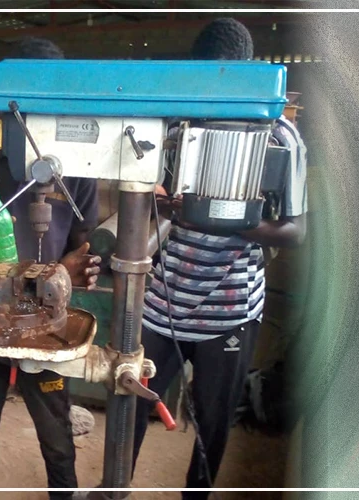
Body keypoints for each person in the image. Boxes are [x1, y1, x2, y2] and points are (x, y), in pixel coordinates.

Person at [131, 18, 308, 497]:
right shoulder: (172, 126)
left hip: (230, 309)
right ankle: (116, 486)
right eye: (211, 80)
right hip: (163, 300)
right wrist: (159, 202)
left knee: (212, 423)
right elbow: (142, 196)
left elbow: (294, 230)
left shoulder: (278, 135)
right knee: (130, 402)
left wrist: (204, 217)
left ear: (250, 73)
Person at [0, 37, 101, 500]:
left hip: (46, 326)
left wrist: (80, 269)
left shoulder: (76, 166)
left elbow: (83, 251)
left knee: (56, 433)